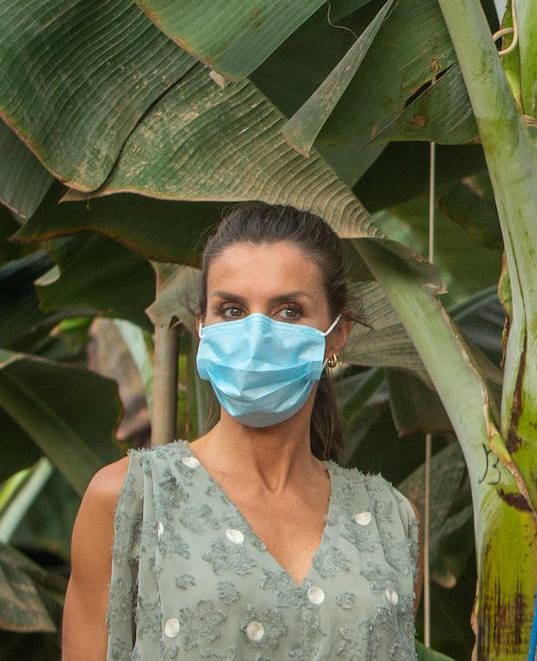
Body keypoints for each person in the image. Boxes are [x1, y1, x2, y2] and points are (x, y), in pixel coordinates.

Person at [63, 202, 420, 660]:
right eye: (231, 310)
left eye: (289, 311)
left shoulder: (390, 519)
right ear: (203, 328)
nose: (256, 335)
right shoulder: (130, 498)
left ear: (337, 333)